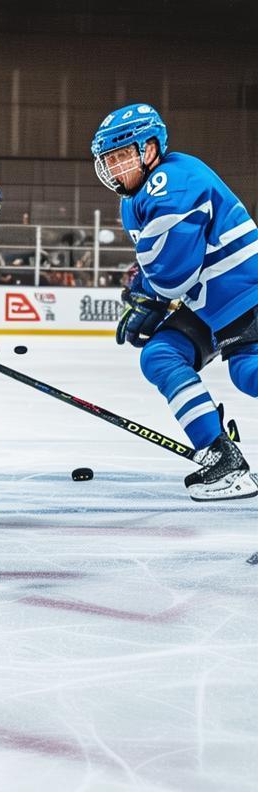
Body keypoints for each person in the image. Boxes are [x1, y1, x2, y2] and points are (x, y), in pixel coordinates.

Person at [91, 102, 258, 500]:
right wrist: (146, 296)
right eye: (108, 158)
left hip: (246, 292)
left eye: (120, 156)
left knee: (247, 372)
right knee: (161, 355)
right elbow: (159, 272)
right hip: (210, 304)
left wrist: (147, 301)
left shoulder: (174, 183)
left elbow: (171, 275)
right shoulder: (136, 196)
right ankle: (222, 457)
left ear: (149, 150)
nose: (113, 167)